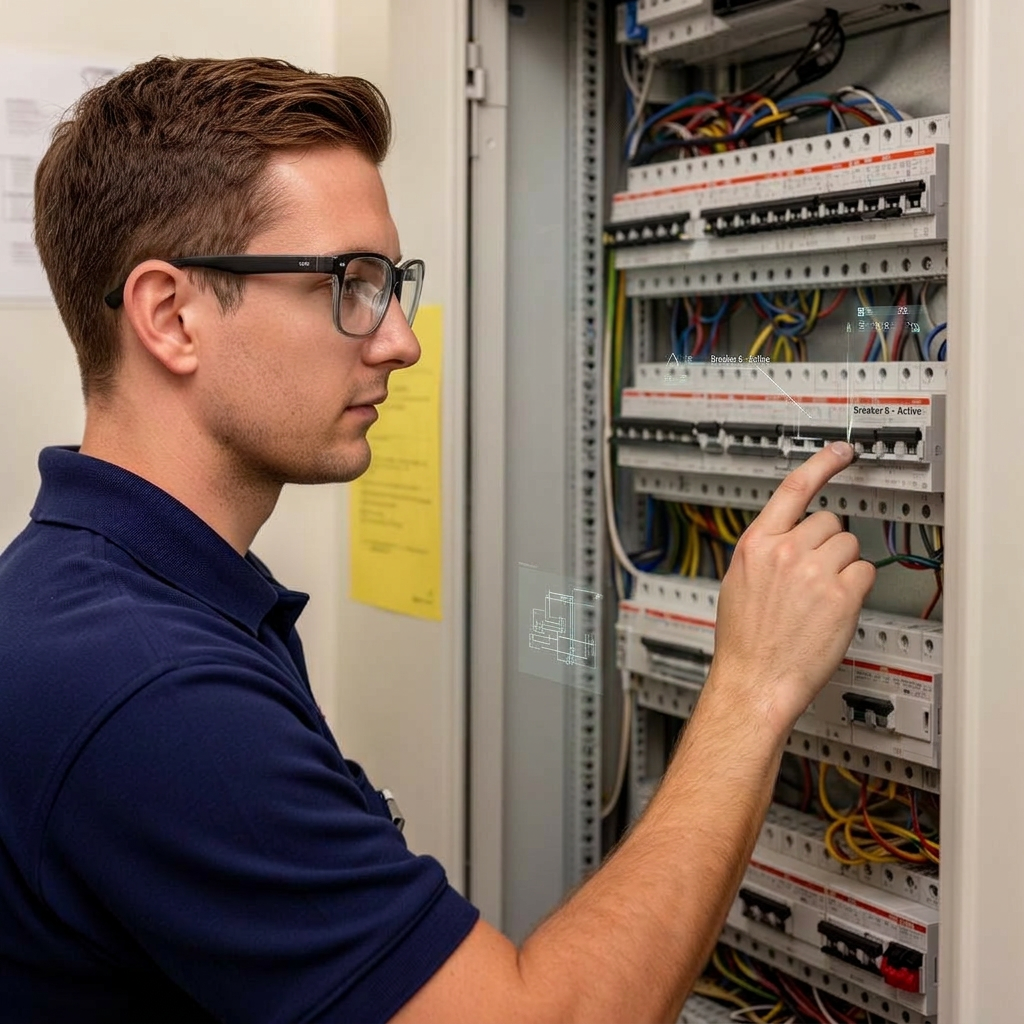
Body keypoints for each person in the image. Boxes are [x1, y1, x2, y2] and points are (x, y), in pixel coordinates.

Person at [0, 56, 875, 1023]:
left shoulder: (95, 591)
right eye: (350, 283)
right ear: (170, 315)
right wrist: (752, 688)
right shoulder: (152, 691)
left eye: (390, 283)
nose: (399, 341)